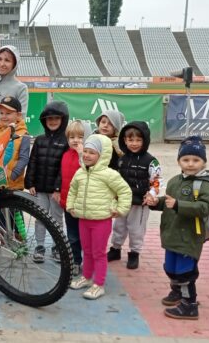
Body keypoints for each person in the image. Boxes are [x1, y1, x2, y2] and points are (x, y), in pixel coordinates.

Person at [144, 135, 209, 320]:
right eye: (186, 159)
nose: (190, 164)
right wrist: (153, 202)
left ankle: (189, 305)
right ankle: (176, 293)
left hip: (189, 236)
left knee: (185, 271)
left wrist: (178, 205)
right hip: (172, 234)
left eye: (196, 160)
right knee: (170, 268)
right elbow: (168, 203)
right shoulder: (175, 181)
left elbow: (204, 208)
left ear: (204, 162)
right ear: (179, 161)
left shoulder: (207, 185)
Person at [66, 135, 132, 300]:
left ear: (102, 156)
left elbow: (124, 191)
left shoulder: (109, 174)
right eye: (85, 151)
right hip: (83, 219)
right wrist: (71, 206)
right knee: (86, 251)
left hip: (101, 221)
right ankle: (87, 278)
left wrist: (120, 209)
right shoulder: (80, 173)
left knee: (98, 253)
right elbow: (72, 190)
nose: (87, 155)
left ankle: (99, 284)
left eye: (92, 153)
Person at [108, 122, 162, 270]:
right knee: (119, 226)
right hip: (123, 202)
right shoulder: (122, 159)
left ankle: (134, 253)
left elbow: (157, 181)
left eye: (138, 140)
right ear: (124, 141)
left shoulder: (151, 161)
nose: (134, 143)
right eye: (130, 140)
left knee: (136, 229)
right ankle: (115, 249)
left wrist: (151, 193)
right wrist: (113, 195)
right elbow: (116, 180)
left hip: (140, 203)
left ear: (145, 141)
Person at [24, 101, 69, 263]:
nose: (53, 121)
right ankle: (40, 246)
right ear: (44, 120)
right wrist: (30, 183)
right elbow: (33, 161)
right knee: (40, 217)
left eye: (57, 118)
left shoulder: (66, 142)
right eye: (49, 118)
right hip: (40, 189)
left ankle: (58, 246)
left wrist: (58, 188)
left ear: (63, 120)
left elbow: (64, 168)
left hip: (56, 191)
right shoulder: (40, 140)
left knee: (57, 219)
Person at [57, 120, 93, 271]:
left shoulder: (89, 157)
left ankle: (89, 262)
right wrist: (58, 191)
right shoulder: (65, 155)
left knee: (85, 235)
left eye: (80, 137)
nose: (76, 140)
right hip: (68, 203)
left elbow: (89, 172)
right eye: (72, 137)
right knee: (72, 235)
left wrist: (81, 154)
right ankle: (76, 261)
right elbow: (62, 176)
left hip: (83, 203)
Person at [0, 96, 31, 191]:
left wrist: (12, 176)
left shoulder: (24, 134)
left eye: (8, 113)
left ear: (18, 115)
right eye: (1, 113)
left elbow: (23, 159)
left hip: (13, 186)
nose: (3, 116)